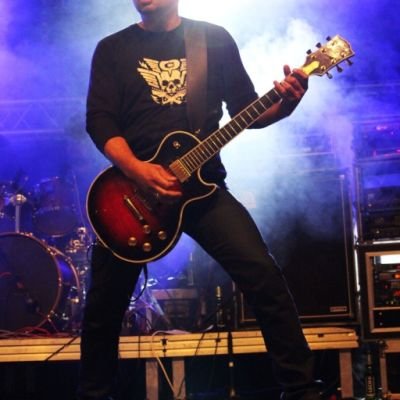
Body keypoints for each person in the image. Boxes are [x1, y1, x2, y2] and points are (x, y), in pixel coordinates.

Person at [77, 0, 320, 399]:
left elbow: (248, 111)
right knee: (103, 307)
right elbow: (99, 120)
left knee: (263, 275)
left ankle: (302, 389)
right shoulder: (113, 48)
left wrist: (288, 101)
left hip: (203, 189)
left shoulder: (212, 39)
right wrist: (138, 170)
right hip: (131, 195)